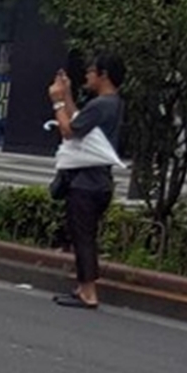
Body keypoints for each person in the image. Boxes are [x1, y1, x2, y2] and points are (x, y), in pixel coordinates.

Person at [47, 54, 125, 309]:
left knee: (83, 237)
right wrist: (67, 95)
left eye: (91, 71)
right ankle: (82, 287)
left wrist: (58, 102)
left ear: (103, 74)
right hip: (99, 180)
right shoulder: (111, 103)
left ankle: (89, 293)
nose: (87, 75)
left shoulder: (102, 105)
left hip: (88, 182)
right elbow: (80, 120)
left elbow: (69, 130)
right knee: (84, 235)